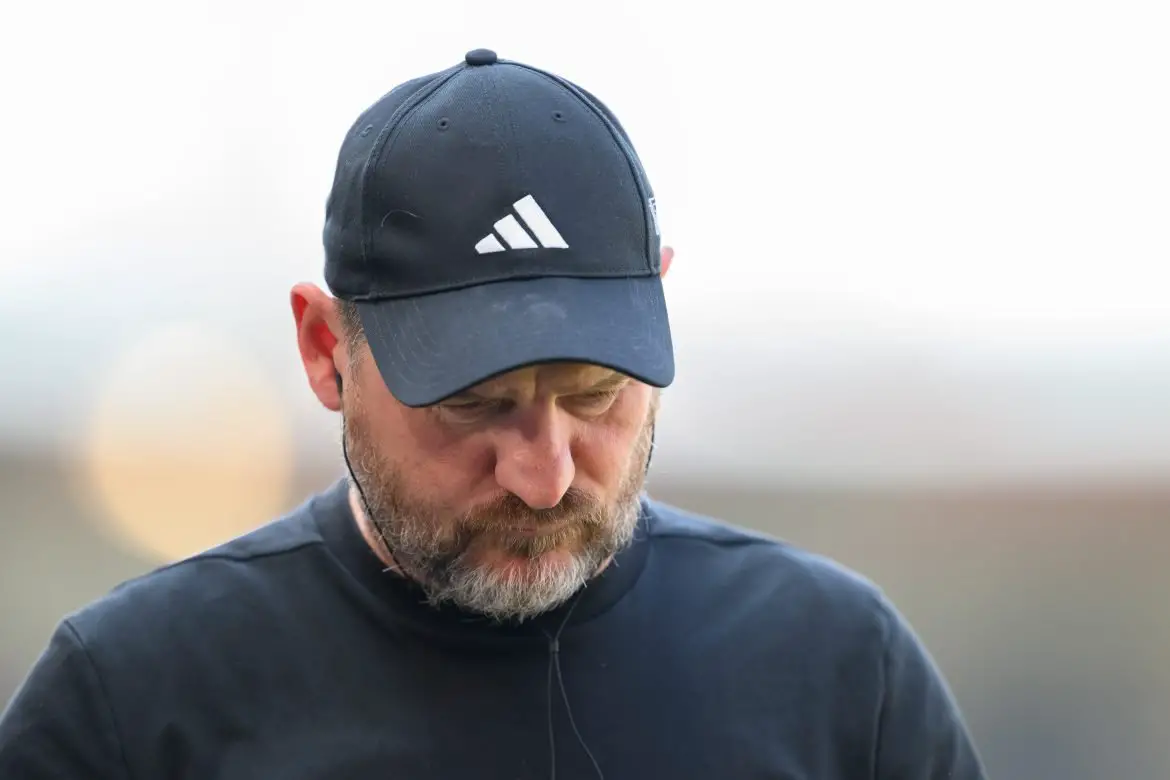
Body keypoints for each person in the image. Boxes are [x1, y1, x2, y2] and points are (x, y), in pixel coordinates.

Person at [0, 48, 986, 779]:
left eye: (597, 393)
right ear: (325, 351)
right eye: (473, 403)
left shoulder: (842, 673)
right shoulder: (132, 703)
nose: (547, 472)